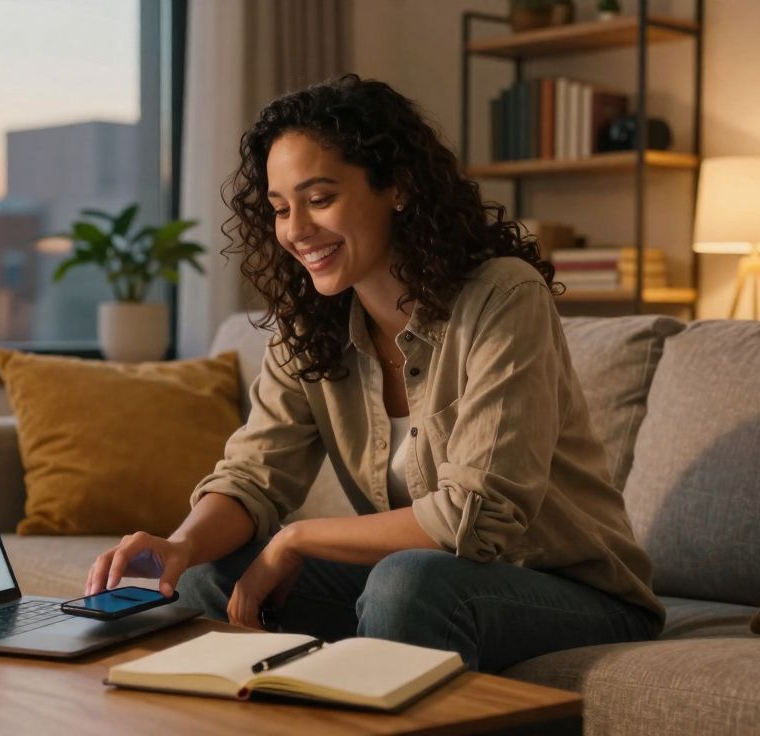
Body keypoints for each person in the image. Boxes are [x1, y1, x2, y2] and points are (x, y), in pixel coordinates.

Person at [85, 74, 663, 673]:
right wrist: (178, 546)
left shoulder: (503, 296)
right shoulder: (310, 324)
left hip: (572, 591)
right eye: (281, 209)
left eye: (320, 198)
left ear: (399, 188)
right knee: (209, 572)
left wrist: (296, 539)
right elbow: (254, 478)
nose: (296, 230)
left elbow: (478, 515)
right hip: (433, 580)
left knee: (406, 583)